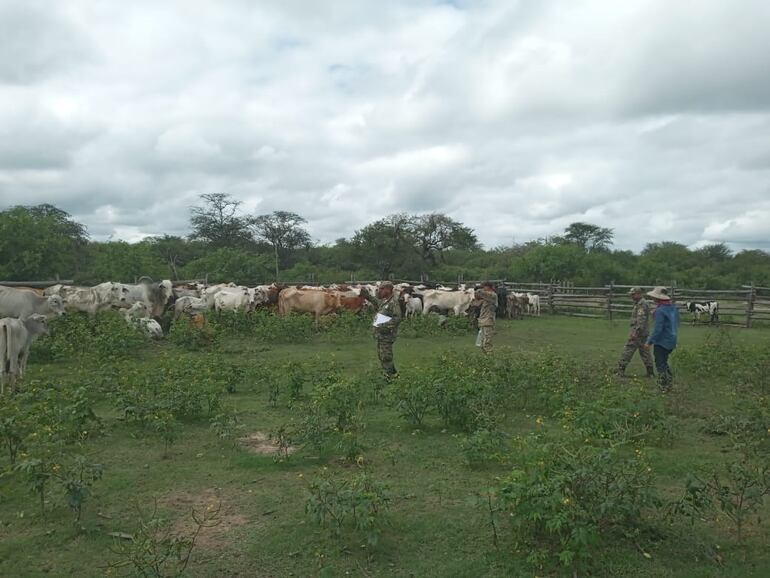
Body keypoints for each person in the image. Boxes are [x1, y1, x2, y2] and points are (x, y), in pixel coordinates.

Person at [361, 282, 402, 377]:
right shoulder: (385, 301)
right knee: (382, 356)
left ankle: (392, 376)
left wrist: (383, 325)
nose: (379, 291)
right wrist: (366, 295)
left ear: (388, 289)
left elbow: (397, 318)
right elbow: (376, 302)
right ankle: (389, 375)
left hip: (387, 335)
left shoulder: (393, 302)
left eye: (381, 289)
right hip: (381, 335)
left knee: (386, 357)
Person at [645, 286, 680, 391]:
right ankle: (669, 382)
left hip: (662, 341)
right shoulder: (673, 308)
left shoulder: (660, 311)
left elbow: (658, 329)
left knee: (660, 363)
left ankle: (663, 385)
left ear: (657, 298)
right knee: (664, 362)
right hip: (672, 339)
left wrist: (649, 341)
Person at [617, 287, 655, 378]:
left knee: (628, 350)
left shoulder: (641, 304)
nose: (631, 296)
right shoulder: (639, 303)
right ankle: (650, 372)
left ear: (639, 294)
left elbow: (641, 320)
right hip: (643, 332)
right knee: (645, 352)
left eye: (633, 294)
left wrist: (635, 333)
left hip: (639, 333)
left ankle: (621, 370)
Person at [472, 281, 498, 354]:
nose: (483, 288)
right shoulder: (486, 297)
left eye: (484, 286)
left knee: (487, 342)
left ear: (488, 287)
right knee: (482, 342)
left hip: (488, 320)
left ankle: (490, 356)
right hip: (483, 320)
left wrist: (478, 288)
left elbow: (480, 293)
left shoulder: (492, 295)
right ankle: (485, 357)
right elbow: (476, 300)